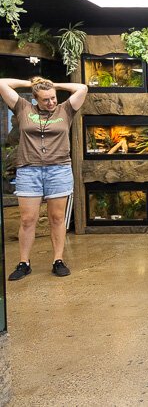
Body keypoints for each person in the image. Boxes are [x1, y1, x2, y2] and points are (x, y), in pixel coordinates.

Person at [0, 76, 88, 280]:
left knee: (57, 218)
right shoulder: (23, 108)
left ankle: (58, 260)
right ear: (35, 99)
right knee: (27, 219)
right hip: (29, 171)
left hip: (58, 170)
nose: (51, 102)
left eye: (53, 98)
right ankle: (24, 263)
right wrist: (30, 84)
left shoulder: (65, 110)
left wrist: (52, 85)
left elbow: (82, 88)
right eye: (45, 99)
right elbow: (1, 83)